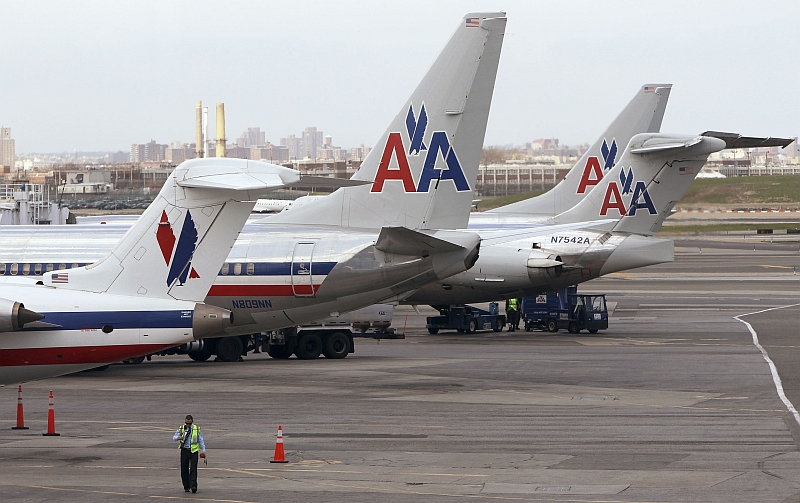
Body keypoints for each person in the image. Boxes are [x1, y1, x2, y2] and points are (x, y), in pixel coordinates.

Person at [173, 414, 206, 493]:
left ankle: (193, 486)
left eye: (189, 424)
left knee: (193, 469)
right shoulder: (181, 428)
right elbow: (174, 437)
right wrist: (178, 437)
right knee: (184, 469)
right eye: (186, 423)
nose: (188, 425)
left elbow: (201, 440)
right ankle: (186, 486)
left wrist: (203, 450)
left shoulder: (196, 429)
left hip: (193, 451)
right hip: (184, 450)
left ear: (192, 422)